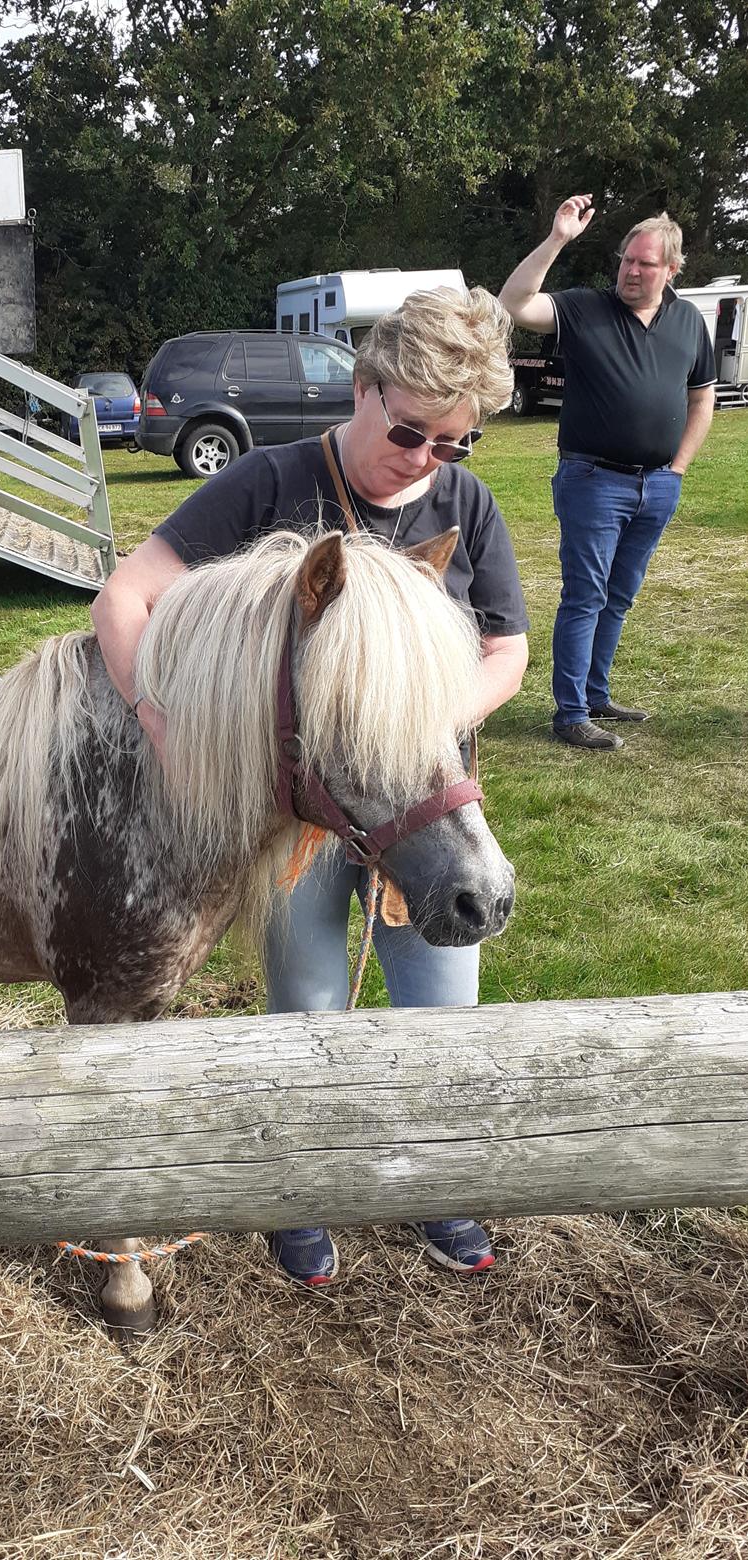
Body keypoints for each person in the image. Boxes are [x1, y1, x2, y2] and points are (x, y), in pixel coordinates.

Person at [92, 287, 529, 1281]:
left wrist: (430, 709)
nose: (424, 462)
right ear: (365, 388)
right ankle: (303, 1191)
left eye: (452, 445)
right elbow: (125, 594)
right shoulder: (271, 482)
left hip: (417, 803)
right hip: (298, 820)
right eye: (412, 431)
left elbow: (508, 647)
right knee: (308, 1003)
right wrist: (154, 716)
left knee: (441, 1007)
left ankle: (434, 1189)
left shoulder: (465, 507)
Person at [499, 197, 716, 750]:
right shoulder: (584, 308)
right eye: (626, 260)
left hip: (657, 486)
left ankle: (596, 694)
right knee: (585, 596)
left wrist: (677, 471)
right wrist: (557, 240)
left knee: (618, 596)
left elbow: (702, 398)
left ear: (671, 270)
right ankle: (570, 713)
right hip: (592, 481)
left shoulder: (689, 321)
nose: (631, 271)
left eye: (645, 264)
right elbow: (514, 304)